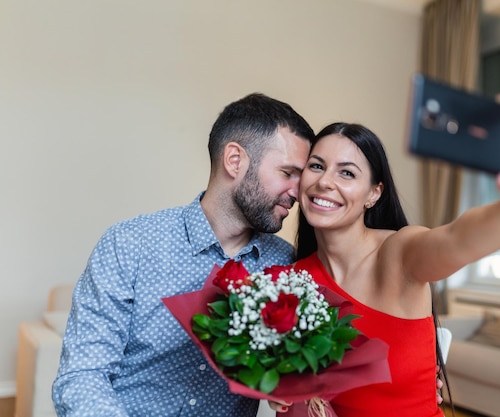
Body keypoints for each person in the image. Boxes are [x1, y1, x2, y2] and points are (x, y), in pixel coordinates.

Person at [281, 91, 500, 417]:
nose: (324, 182)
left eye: (346, 173)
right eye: (317, 166)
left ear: (373, 194)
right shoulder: (292, 280)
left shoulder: (398, 254)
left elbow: (457, 239)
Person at [51, 93, 316, 417]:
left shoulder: (285, 265)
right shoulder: (130, 244)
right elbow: (82, 377)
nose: (297, 192)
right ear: (235, 160)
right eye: (287, 173)